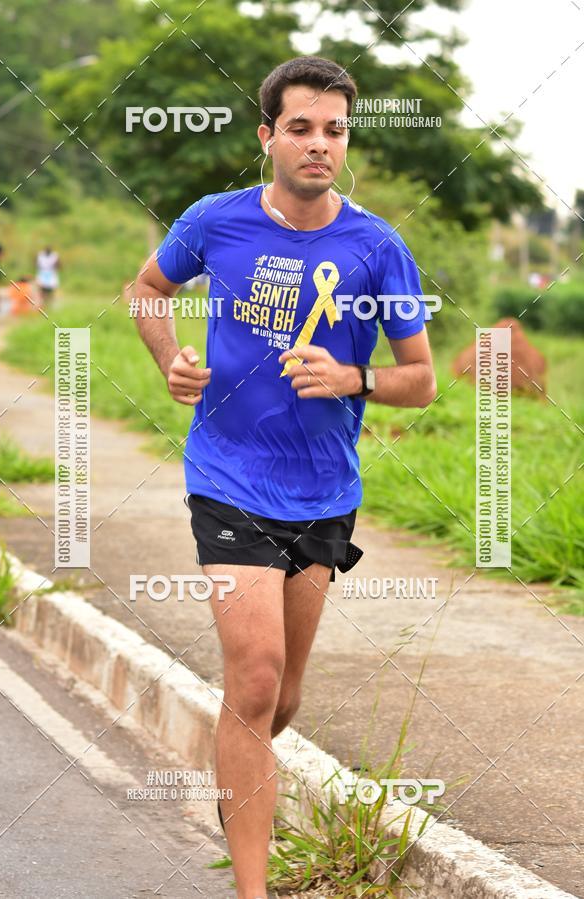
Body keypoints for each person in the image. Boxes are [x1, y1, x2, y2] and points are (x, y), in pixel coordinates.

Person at [134, 55, 436, 899]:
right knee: (257, 673)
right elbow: (148, 289)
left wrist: (353, 379)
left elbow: (422, 378)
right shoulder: (215, 222)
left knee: (282, 695)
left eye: (334, 130)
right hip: (227, 473)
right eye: (300, 127)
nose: (318, 144)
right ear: (267, 135)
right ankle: (253, 890)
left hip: (323, 491)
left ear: (346, 140)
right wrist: (171, 358)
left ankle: (239, 779)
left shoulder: (377, 247)